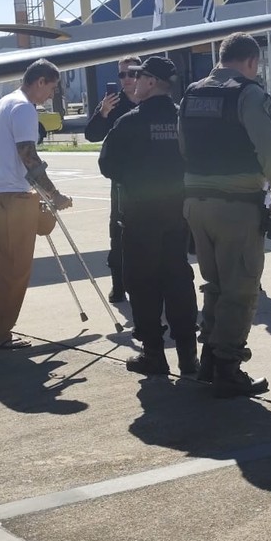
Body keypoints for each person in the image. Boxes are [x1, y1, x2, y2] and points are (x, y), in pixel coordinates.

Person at [179, 32, 271, 398]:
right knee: (240, 287)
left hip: (197, 203)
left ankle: (210, 358)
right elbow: (270, 149)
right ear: (252, 62)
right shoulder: (250, 93)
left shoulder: (192, 92)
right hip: (236, 203)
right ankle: (228, 367)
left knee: (214, 284)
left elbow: (183, 145)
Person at [98, 56, 199, 376]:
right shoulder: (186, 119)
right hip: (177, 214)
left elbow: (107, 166)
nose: (133, 82)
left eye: (139, 77)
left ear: (152, 82)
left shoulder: (130, 121)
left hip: (141, 216)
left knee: (142, 284)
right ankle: (188, 357)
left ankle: (153, 354)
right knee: (179, 280)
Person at [0, 59, 72, 350]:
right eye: (51, 88)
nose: (50, 95)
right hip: (12, 195)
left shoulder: (4, 103)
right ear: (40, 82)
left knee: (2, 265)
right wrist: (54, 193)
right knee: (14, 269)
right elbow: (28, 156)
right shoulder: (23, 108)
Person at [84, 56, 139, 304]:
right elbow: (92, 134)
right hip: (121, 182)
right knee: (118, 234)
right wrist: (103, 112)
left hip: (154, 181)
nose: (126, 79)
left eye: (131, 73)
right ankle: (118, 285)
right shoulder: (114, 104)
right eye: (121, 75)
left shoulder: (154, 100)